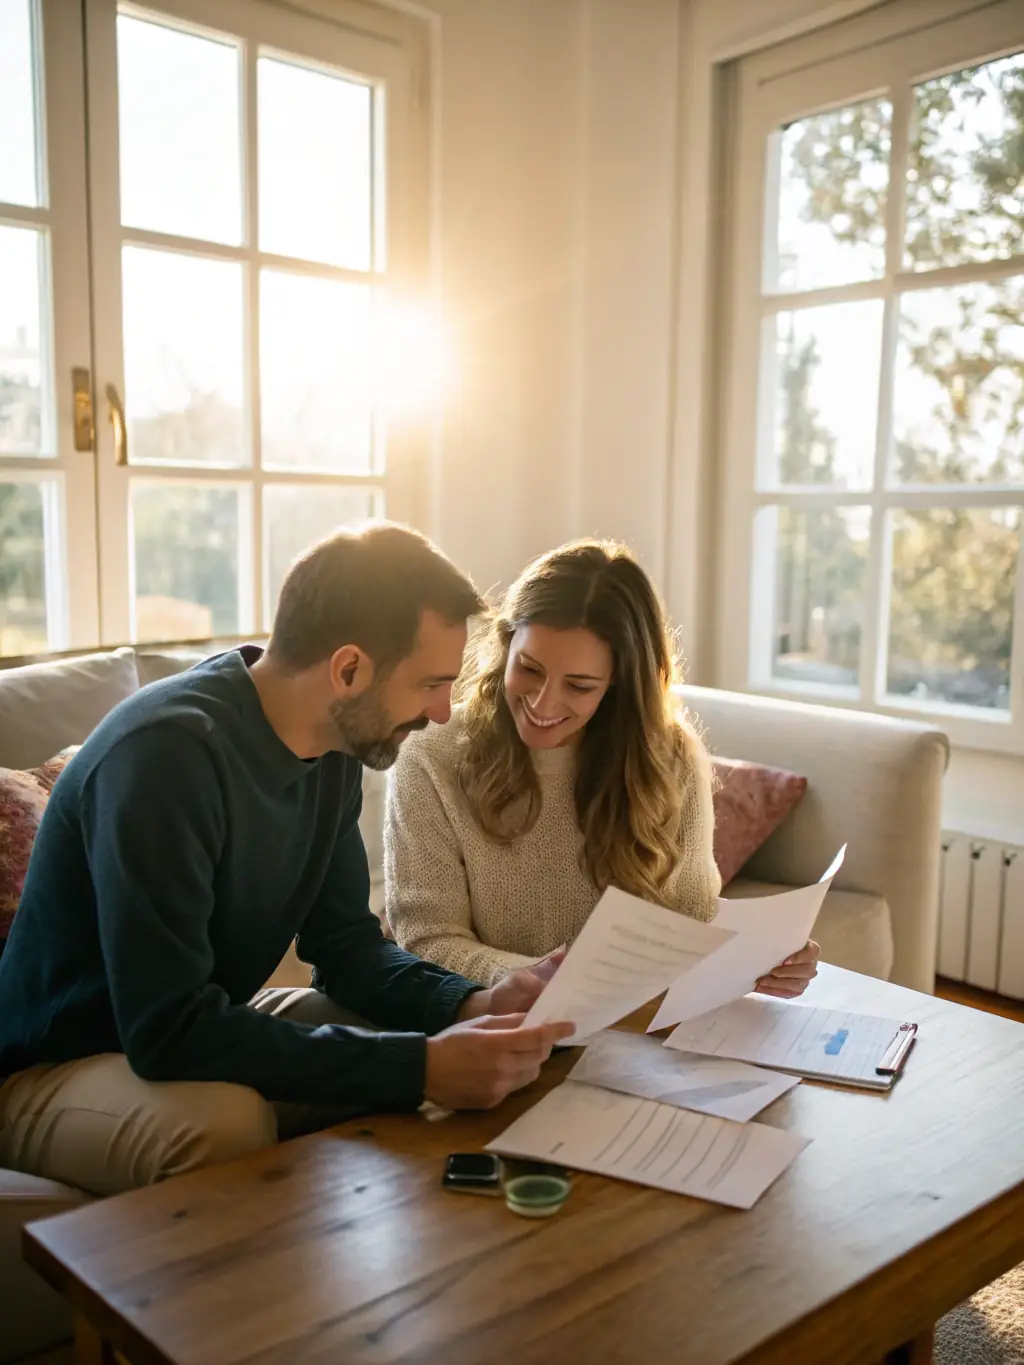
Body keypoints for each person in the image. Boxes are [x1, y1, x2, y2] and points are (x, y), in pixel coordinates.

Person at [0, 523, 572, 1198]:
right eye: (430, 684)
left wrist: (470, 1001)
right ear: (349, 668)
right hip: (55, 1064)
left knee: (453, 1037)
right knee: (225, 1121)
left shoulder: (333, 747)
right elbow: (166, 1029)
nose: (442, 713)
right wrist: (419, 1067)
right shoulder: (166, 758)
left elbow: (347, 947)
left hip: (191, 1024)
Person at [385, 539, 820, 994]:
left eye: (579, 685)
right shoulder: (431, 755)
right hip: (499, 1027)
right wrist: (530, 979)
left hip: (638, 1033)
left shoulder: (671, 759)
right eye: (529, 669)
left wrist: (766, 958)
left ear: (618, 685)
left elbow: (692, 925)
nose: (542, 702)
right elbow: (428, 938)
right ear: (507, 644)